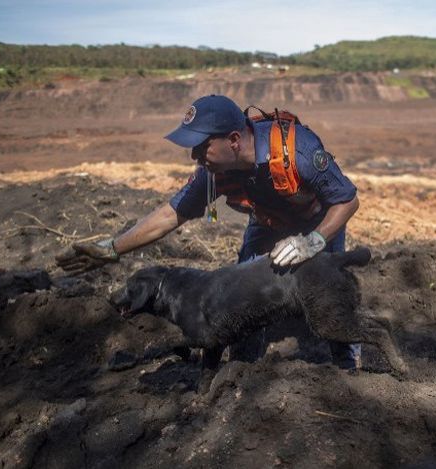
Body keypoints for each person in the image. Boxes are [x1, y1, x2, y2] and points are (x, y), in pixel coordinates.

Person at [56, 94, 362, 369]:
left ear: (233, 140)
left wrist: (315, 240)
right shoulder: (212, 172)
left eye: (202, 147)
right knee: (243, 294)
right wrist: (112, 248)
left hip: (317, 222)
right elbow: (171, 214)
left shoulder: (298, 150)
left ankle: (348, 364)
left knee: (328, 292)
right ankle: (242, 369)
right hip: (267, 222)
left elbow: (346, 200)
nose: (194, 157)